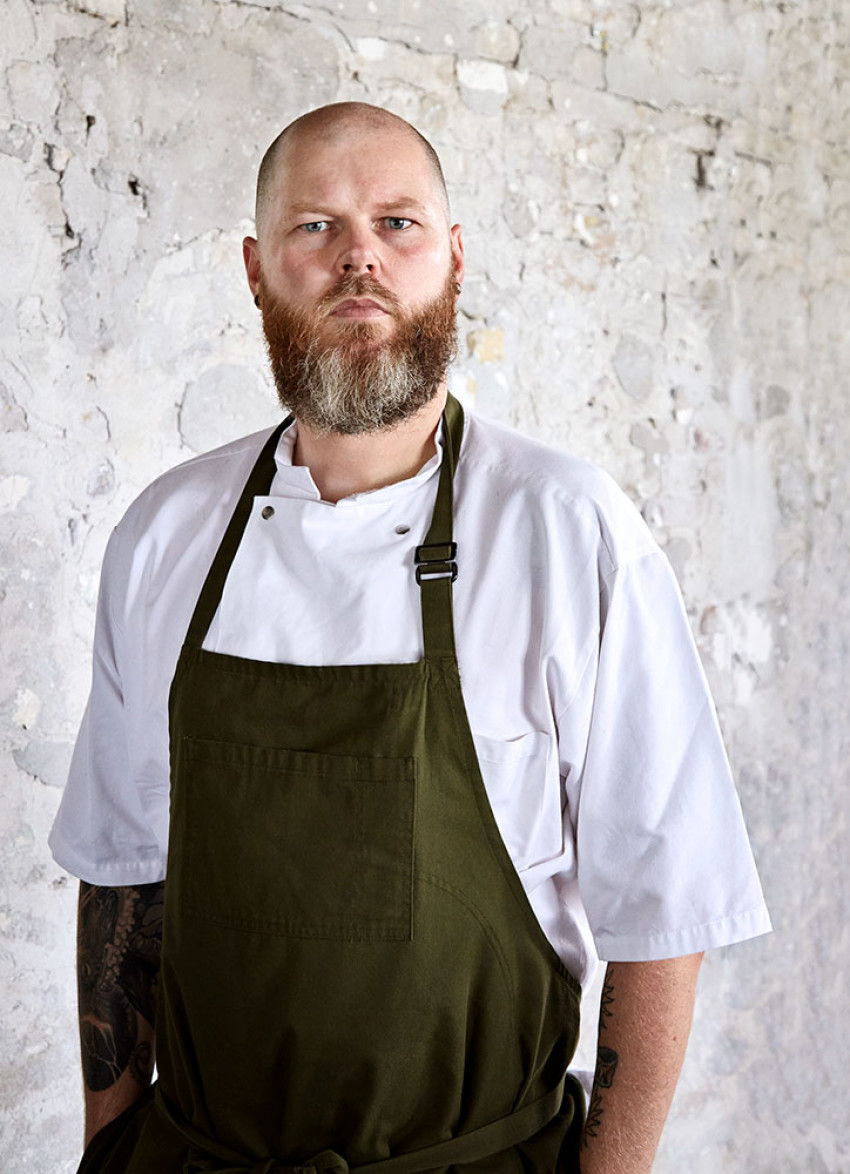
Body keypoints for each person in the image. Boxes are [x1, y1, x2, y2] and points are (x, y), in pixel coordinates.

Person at [50, 102, 771, 1174]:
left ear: (454, 257)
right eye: (315, 227)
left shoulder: (566, 533)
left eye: (397, 223)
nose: (360, 259)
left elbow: (664, 919)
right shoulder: (166, 536)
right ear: (254, 269)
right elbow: (123, 875)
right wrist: (108, 1148)